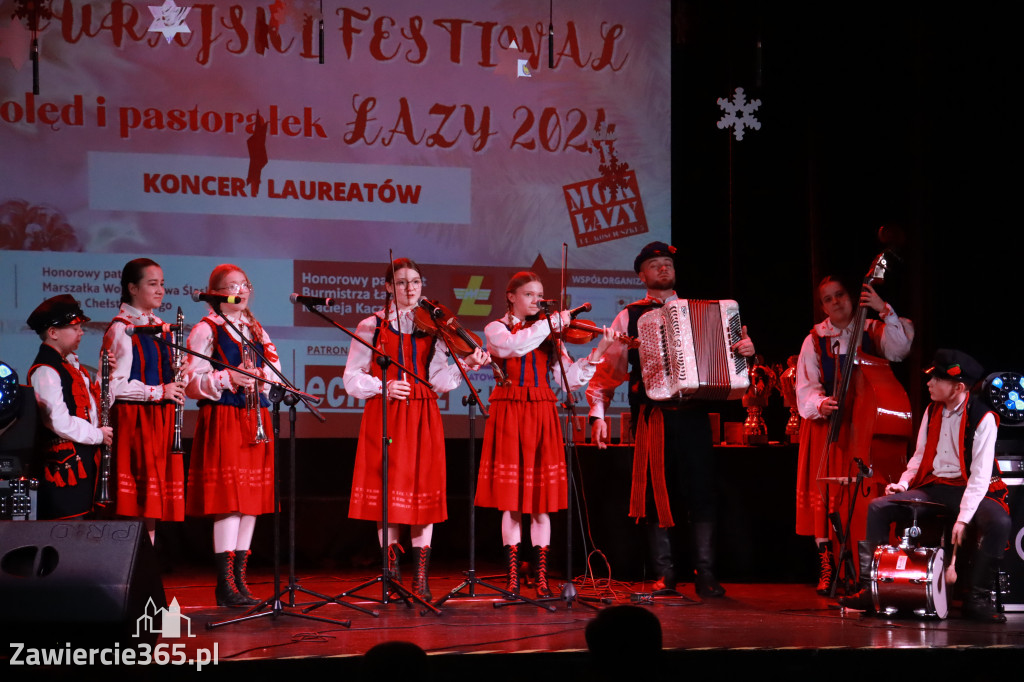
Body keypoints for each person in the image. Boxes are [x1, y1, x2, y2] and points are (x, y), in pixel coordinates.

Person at [586, 241, 755, 598]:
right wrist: (597, 412)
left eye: (667, 263)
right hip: (654, 419)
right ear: (641, 274)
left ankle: (706, 574)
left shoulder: (708, 312)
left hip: (694, 417)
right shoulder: (629, 315)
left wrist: (744, 353)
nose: (663, 268)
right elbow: (608, 372)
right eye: (655, 264)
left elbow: (731, 360)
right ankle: (665, 575)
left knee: (702, 494)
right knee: (655, 494)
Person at [345, 258, 489, 602]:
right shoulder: (372, 325)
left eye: (415, 281)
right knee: (388, 494)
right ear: (387, 287)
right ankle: (391, 574)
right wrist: (384, 385)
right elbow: (351, 378)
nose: (410, 288)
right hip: (386, 412)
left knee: (423, 496)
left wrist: (467, 363)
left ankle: (420, 578)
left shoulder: (434, 325)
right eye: (401, 282)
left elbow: (438, 381)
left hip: (423, 412)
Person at [839, 349, 1011, 622]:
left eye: (937, 379)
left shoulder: (983, 417)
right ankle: (871, 590)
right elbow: (919, 456)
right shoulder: (932, 411)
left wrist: (963, 519)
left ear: (958, 387)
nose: (929, 384)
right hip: (936, 486)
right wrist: (903, 483)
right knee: (879, 507)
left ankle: (977, 598)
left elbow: (978, 476)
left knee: (999, 522)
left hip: (972, 490)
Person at [476, 271, 616, 598]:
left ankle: (541, 577)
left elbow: (570, 378)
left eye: (540, 295)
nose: (537, 301)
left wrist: (598, 353)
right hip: (509, 409)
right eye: (530, 295)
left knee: (541, 502)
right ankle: (512, 576)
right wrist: (551, 324)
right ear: (511, 296)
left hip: (541, 410)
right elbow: (512, 347)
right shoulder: (497, 329)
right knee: (510, 503)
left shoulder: (550, 336)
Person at [795, 276, 914, 594]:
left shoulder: (872, 329)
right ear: (822, 306)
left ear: (852, 296)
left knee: (865, 498)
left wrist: (885, 311)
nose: (836, 302)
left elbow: (901, 350)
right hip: (829, 428)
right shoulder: (815, 339)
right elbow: (806, 389)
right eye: (828, 299)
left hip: (868, 428)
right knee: (827, 500)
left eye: (841, 295)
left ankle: (870, 566)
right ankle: (828, 566)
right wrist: (822, 403)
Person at [183, 264, 279, 607]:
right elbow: (191, 382)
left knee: (250, 502)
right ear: (216, 292)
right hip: (224, 417)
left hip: (254, 416)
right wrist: (226, 379)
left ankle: (239, 578)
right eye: (232, 285)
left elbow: (275, 370)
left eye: (245, 284)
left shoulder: (255, 329)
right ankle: (224, 582)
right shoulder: (205, 329)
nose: (241, 289)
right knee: (230, 502)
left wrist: (263, 378)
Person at [100, 258, 186, 546]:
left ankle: (144, 570)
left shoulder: (161, 327)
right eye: (153, 284)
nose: (160, 290)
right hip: (134, 421)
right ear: (133, 288)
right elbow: (115, 386)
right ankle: (131, 572)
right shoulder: (122, 329)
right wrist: (160, 392)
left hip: (157, 421)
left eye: (162, 284)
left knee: (151, 506)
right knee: (135, 504)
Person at [26, 294, 113, 519]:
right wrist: (96, 435)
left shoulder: (71, 364)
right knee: (65, 531)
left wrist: (105, 376)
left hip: (82, 464)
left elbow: (92, 407)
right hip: (63, 470)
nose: (81, 332)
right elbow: (57, 420)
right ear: (53, 333)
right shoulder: (47, 369)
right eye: (75, 327)